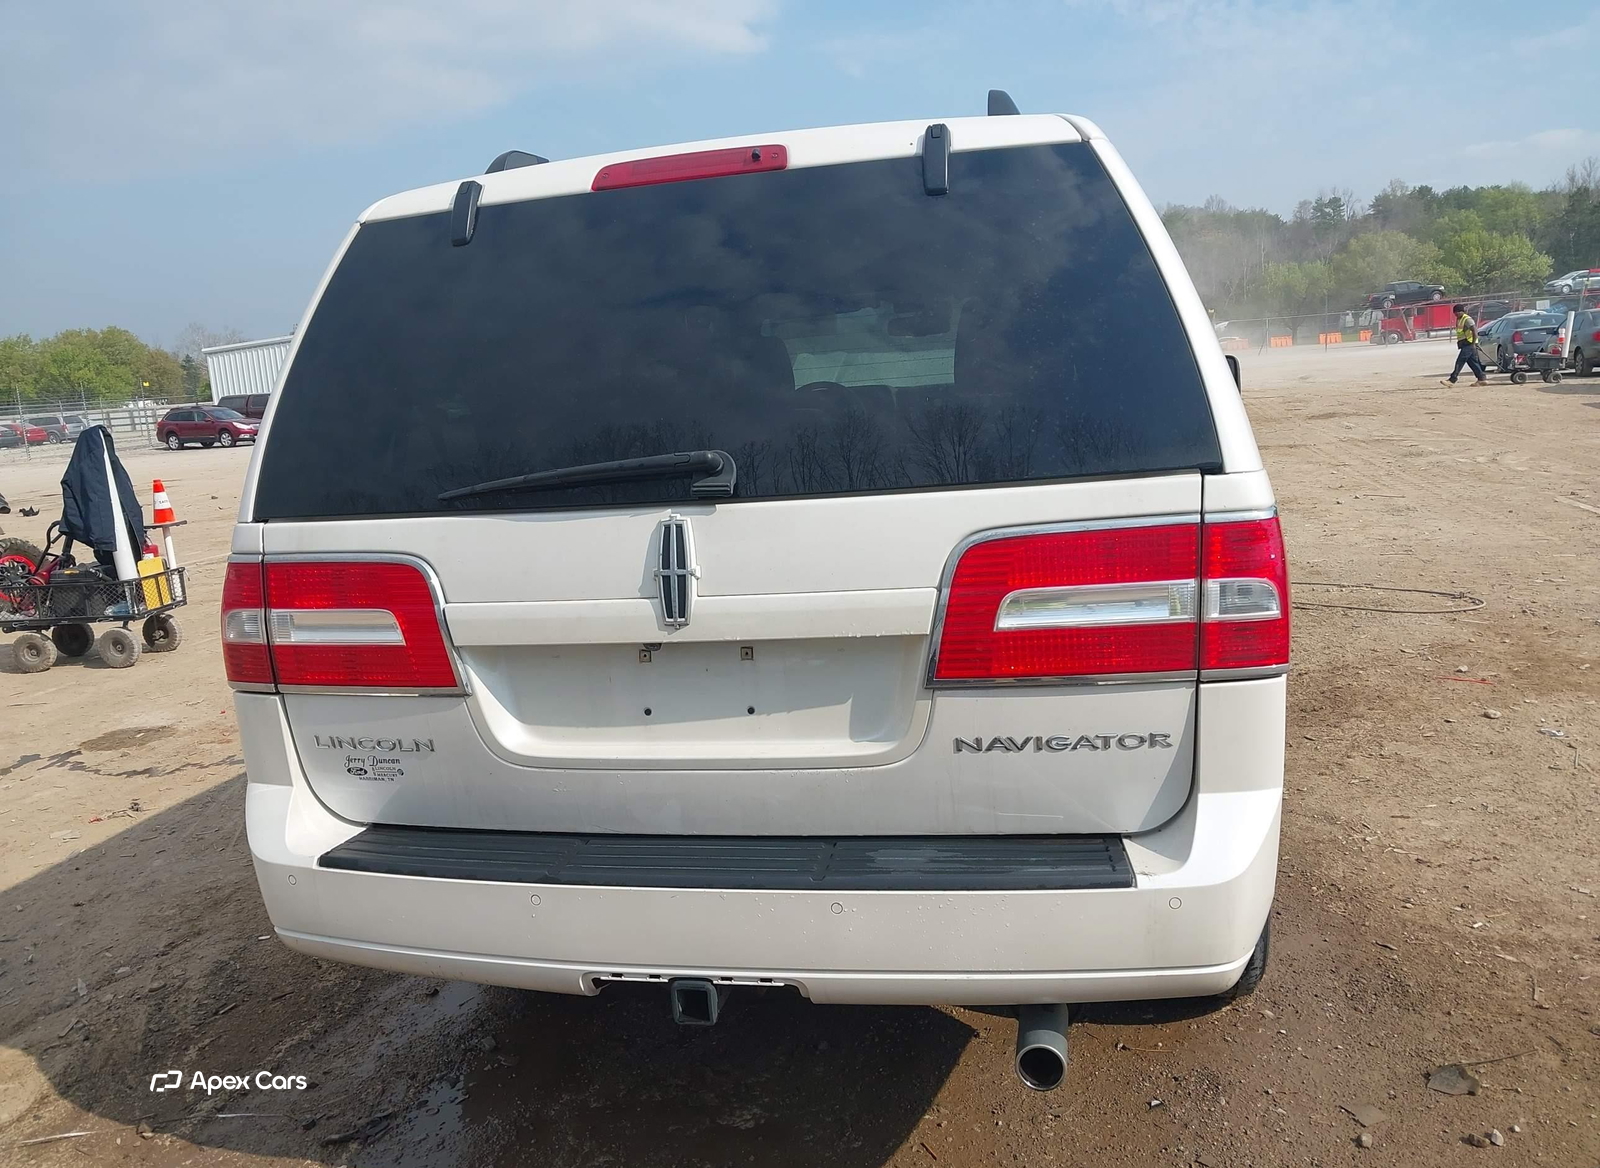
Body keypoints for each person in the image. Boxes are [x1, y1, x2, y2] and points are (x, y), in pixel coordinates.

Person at [1441, 304, 1488, 386]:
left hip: (1469, 343)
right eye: (1454, 313)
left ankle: (1452, 380)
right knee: (1472, 362)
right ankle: (1481, 379)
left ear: (1461, 311)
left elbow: (1474, 331)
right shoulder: (1459, 319)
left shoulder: (1467, 319)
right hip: (1464, 344)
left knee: (1460, 361)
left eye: (1457, 313)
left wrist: (1473, 344)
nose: (1455, 315)